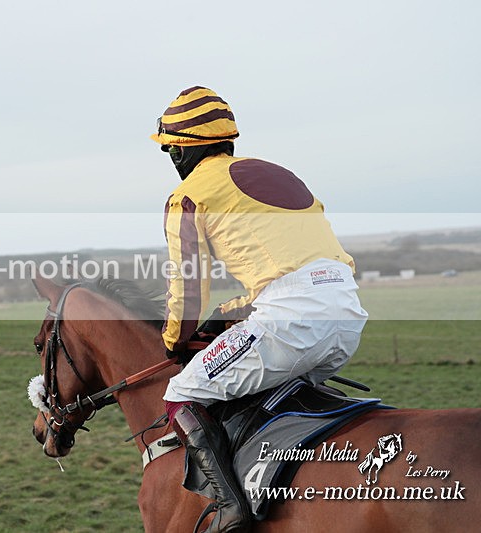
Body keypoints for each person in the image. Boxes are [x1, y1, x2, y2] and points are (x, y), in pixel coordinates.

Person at [152, 86, 368, 532]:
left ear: (180, 150)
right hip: (345, 314)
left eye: (170, 149)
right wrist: (230, 313)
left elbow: (189, 289)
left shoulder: (188, 195)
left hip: (291, 321)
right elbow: (292, 269)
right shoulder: (278, 173)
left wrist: (174, 338)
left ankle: (231, 513)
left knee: (182, 393)